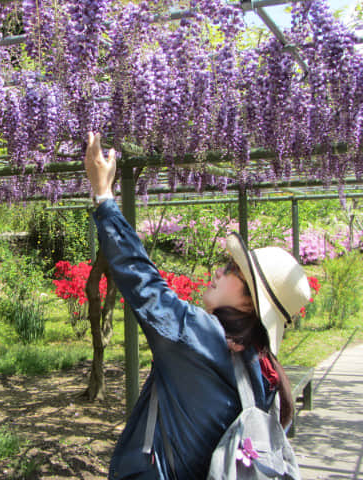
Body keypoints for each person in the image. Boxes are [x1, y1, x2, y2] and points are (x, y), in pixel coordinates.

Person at [84, 132, 311, 479]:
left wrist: (104, 196)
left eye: (233, 270)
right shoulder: (263, 367)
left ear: (251, 305)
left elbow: (142, 281)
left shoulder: (202, 338)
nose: (220, 271)